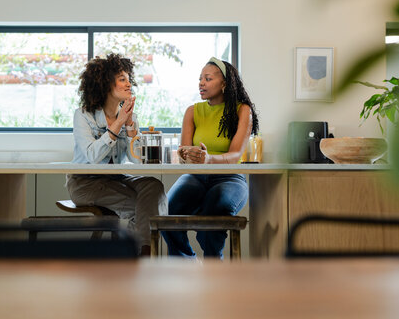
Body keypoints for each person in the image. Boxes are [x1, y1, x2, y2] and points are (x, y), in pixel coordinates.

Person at [66, 53, 167, 256]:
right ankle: (143, 254)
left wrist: (130, 127)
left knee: (153, 185)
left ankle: (143, 253)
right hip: (85, 183)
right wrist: (119, 122)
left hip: (116, 179)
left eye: (129, 79)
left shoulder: (129, 116)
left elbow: (137, 161)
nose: (129, 84)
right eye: (122, 79)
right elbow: (93, 157)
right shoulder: (83, 115)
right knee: (145, 208)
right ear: (105, 84)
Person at [162, 57, 259, 259]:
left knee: (215, 212)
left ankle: (213, 266)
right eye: (200, 79)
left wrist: (209, 159)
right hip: (196, 176)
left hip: (229, 177)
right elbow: (185, 151)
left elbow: (235, 156)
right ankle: (187, 263)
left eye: (207, 78)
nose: (201, 83)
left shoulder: (242, 110)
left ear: (224, 83)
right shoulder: (193, 111)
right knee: (167, 213)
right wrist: (185, 154)